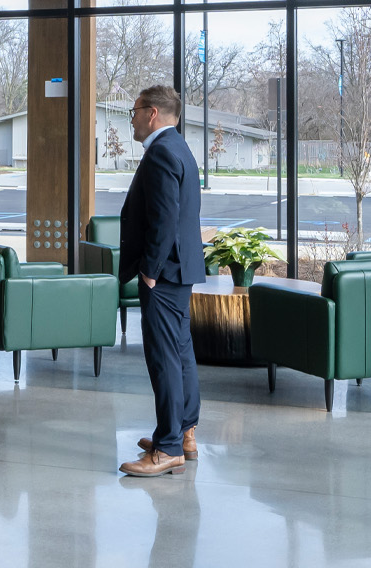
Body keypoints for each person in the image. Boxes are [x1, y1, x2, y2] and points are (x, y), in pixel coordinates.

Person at [117, 84, 204, 477]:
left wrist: (149, 269)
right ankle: (184, 433)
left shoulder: (162, 152)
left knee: (164, 357)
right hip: (180, 271)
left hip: (164, 273)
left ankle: (168, 447)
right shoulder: (179, 146)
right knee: (181, 352)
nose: (131, 117)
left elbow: (164, 218)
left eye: (134, 110)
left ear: (152, 113)